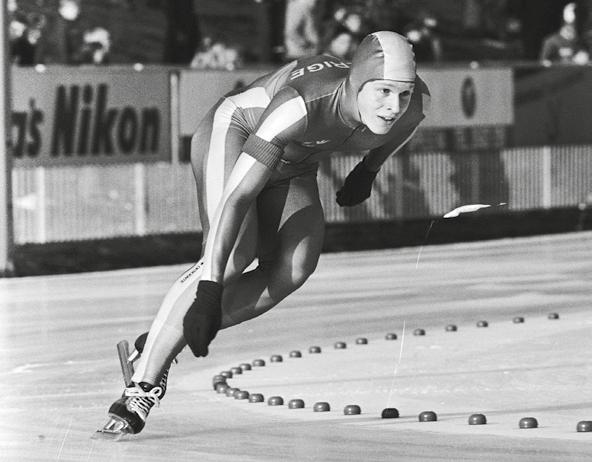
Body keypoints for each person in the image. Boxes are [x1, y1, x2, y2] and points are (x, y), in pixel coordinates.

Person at [97, 31, 430, 437]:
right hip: (238, 132)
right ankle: (141, 387)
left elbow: (402, 128)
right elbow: (236, 197)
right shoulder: (302, 104)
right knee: (234, 255)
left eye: (403, 93)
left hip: (294, 162)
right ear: (357, 83)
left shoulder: (415, 104)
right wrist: (209, 291)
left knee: (294, 268)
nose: (394, 106)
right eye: (383, 92)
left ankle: (158, 342)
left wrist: (369, 170)